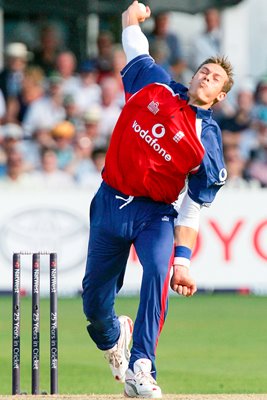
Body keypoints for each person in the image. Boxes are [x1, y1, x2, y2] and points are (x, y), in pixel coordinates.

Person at [82, 1, 234, 399]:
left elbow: (194, 204)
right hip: (110, 202)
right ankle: (116, 336)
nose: (207, 75)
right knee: (95, 309)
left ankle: (141, 367)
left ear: (219, 95)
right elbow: (133, 40)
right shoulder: (156, 84)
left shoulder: (208, 139)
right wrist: (132, 15)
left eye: (215, 77)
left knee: (156, 270)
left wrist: (181, 261)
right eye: (204, 69)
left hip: (156, 215)